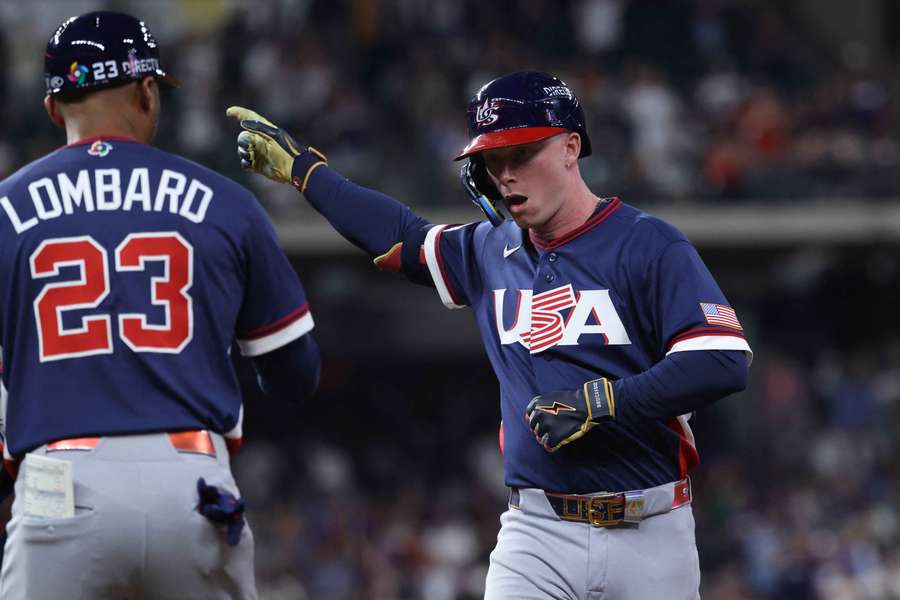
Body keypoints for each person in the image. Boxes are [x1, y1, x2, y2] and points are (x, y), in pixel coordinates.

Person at [228, 71, 751, 599]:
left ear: (572, 148)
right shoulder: (488, 250)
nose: (505, 175)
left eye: (521, 155)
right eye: (493, 161)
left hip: (651, 530)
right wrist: (306, 172)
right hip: (537, 532)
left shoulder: (648, 243)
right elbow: (400, 238)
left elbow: (722, 360)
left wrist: (602, 401)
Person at [0, 11, 320, 599]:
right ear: (148, 91)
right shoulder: (226, 202)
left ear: (52, 108)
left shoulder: (6, 209)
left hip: (58, 481)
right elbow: (296, 373)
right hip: (191, 480)